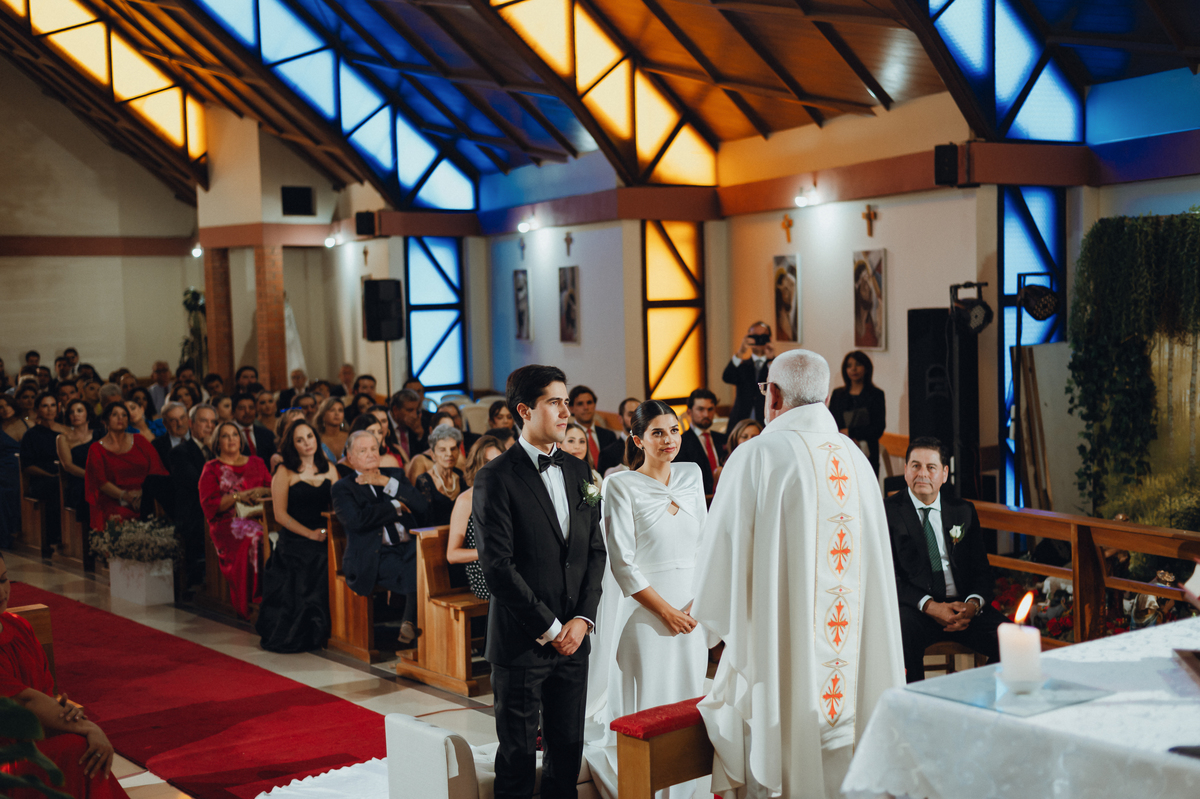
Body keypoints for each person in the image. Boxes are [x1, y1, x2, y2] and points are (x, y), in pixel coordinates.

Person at [692, 349, 904, 799]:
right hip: (854, 656)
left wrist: (717, 626)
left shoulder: (756, 456)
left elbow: (717, 556)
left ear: (773, 395)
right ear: (825, 398)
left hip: (780, 644)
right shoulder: (856, 460)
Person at [473, 365, 607, 799]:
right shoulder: (495, 477)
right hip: (522, 640)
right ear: (524, 410)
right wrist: (550, 627)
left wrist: (582, 619)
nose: (566, 412)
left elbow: (595, 552)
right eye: (554, 402)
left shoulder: (580, 471)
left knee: (567, 753)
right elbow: (497, 567)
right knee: (516, 759)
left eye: (567, 402)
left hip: (575, 638)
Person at [583, 401, 709, 799]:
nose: (669, 439)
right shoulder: (620, 485)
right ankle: (644, 786)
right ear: (637, 439)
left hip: (692, 610)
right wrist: (666, 611)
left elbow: (705, 544)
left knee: (687, 698)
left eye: (673, 430)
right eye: (657, 432)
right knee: (650, 700)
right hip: (645, 612)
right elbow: (623, 563)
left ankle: (686, 789)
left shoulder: (692, 474)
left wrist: (697, 603)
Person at [0, 554, 130, 799]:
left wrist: (63, 711)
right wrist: (88, 727)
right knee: (79, 750)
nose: (1, 591)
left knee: (81, 748)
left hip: (35, 741)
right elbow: (25, 702)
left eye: (3, 579)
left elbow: (44, 694)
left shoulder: (19, 627)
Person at [886, 436, 1006, 683]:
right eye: (915, 466)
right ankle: (917, 703)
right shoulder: (888, 512)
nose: (922, 474)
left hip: (962, 609)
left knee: (1014, 639)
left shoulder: (963, 511)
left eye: (931, 467)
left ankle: (981, 695)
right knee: (901, 633)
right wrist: (932, 607)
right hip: (918, 610)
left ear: (944, 473)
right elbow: (889, 577)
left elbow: (982, 572)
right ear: (906, 470)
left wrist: (971, 607)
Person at [331, 430, 428, 645]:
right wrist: (395, 506)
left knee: (422, 557)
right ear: (350, 457)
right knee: (421, 571)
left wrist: (386, 482)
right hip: (375, 554)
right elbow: (357, 520)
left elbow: (421, 506)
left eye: (374, 448)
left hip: (408, 547)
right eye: (363, 451)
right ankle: (418, 632)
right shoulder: (343, 488)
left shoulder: (394, 476)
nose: (371, 454)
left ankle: (410, 624)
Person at [258, 418, 337, 653]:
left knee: (334, 556)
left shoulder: (329, 468)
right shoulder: (284, 472)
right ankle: (308, 630)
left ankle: (335, 630)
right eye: (300, 440)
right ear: (292, 445)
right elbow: (280, 515)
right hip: (295, 537)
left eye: (310, 437)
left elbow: (339, 506)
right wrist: (310, 534)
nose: (307, 443)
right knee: (316, 559)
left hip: (324, 532)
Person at [198, 421, 272, 618]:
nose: (231, 439)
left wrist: (261, 491)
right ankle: (255, 598)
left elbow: (273, 489)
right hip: (228, 522)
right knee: (257, 537)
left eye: (235, 434)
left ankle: (278, 594)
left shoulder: (257, 462)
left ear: (241, 439)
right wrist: (239, 496)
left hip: (261, 516)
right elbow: (210, 505)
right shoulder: (211, 468)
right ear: (217, 442)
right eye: (225, 436)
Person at [84, 403, 168, 531]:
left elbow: (156, 469)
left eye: (124, 415)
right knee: (119, 516)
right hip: (114, 499)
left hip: (145, 496)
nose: (120, 418)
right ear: (105, 420)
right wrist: (126, 496)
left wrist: (143, 494)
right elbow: (100, 482)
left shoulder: (140, 440)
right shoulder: (96, 449)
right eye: (115, 415)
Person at [447, 435, 504, 600]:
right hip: (485, 573)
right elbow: (452, 555)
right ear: (477, 464)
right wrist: (489, 552)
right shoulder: (466, 500)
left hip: (511, 566)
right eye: (487, 462)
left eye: (498, 461)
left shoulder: (507, 495)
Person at [170, 403, 217, 586]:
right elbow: (200, 484)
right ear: (191, 423)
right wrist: (213, 451)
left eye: (213, 422)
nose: (209, 426)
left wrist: (215, 450)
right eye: (204, 421)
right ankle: (207, 583)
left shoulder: (225, 449)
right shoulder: (180, 452)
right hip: (194, 512)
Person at [828, 351, 887, 475]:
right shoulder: (838, 394)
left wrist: (851, 433)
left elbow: (878, 427)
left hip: (868, 455)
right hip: (841, 451)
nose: (853, 369)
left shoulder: (876, 395)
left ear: (866, 368)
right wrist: (845, 437)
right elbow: (831, 422)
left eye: (858, 364)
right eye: (849, 366)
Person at [19, 392, 65, 552]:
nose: (50, 409)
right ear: (38, 409)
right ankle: (54, 538)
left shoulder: (65, 430)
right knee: (54, 487)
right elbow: (27, 465)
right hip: (43, 478)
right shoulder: (31, 435)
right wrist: (51, 475)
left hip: (64, 475)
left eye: (52, 405)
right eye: (45, 406)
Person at [56, 399, 100, 535]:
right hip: (79, 481)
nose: (75, 414)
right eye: (72, 412)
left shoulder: (99, 434)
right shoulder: (62, 438)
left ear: (88, 414)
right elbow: (68, 465)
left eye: (79, 411)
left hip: (102, 477)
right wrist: (91, 477)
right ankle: (94, 537)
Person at [721, 321, 774, 427]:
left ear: (769, 338)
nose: (759, 340)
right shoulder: (742, 365)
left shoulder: (775, 364)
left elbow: (779, 383)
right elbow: (727, 377)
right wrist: (741, 351)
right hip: (740, 421)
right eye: (755, 336)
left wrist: (771, 359)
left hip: (765, 423)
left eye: (763, 336)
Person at [676, 388, 727, 495]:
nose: (706, 414)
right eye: (700, 409)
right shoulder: (680, 443)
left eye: (710, 409)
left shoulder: (723, 439)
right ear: (689, 411)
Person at [413, 425, 464, 528]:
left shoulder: (462, 477)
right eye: (442, 450)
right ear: (433, 455)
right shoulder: (424, 481)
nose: (449, 454)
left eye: (453, 449)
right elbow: (424, 522)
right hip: (434, 536)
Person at [567, 385, 615, 469]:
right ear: (571, 409)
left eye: (589, 402)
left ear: (594, 405)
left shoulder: (609, 436)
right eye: (580, 404)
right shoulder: (565, 435)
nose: (586, 407)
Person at [232, 392, 276, 465]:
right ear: (233, 412)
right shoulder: (229, 435)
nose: (247, 411)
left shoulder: (267, 434)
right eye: (242, 408)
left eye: (251, 408)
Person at [597, 397, 639, 475]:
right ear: (620, 418)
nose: (635, 419)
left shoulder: (651, 448)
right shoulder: (607, 453)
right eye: (630, 415)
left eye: (639, 415)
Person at [388, 389, 427, 460]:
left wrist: (420, 435)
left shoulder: (421, 422)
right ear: (395, 410)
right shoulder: (382, 423)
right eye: (410, 410)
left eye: (416, 410)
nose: (415, 416)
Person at [561, 422, 602, 488]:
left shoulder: (595, 477)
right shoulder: (554, 474)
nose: (577, 447)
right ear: (558, 444)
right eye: (571, 441)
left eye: (582, 441)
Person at [0, 396, 18, 549]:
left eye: (8, 405)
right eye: (1, 407)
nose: (5, 409)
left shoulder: (27, 423)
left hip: (21, 467)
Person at [314, 397, 347, 463]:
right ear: (323, 416)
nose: (337, 414)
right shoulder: (316, 439)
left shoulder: (350, 437)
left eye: (340, 410)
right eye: (332, 410)